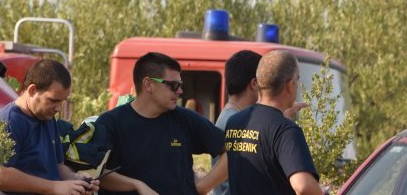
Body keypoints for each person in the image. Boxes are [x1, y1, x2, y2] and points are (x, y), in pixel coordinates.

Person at [95, 52, 227, 195]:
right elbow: (95, 173)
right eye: (174, 85)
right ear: (148, 84)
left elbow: (231, 150)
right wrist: (137, 185)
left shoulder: (186, 119)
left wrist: (203, 187)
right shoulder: (110, 123)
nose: (180, 91)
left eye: (180, 85)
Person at [0, 59, 100, 195]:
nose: (59, 108)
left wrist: (75, 179)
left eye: (62, 101)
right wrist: (53, 187)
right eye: (53, 100)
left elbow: (57, 166)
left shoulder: (47, 119)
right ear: (32, 90)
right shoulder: (7, 122)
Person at [224, 50, 322, 195]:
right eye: (298, 79)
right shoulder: (286, 130)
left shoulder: (234, 122)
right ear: (289, 84)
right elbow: (303, 186)